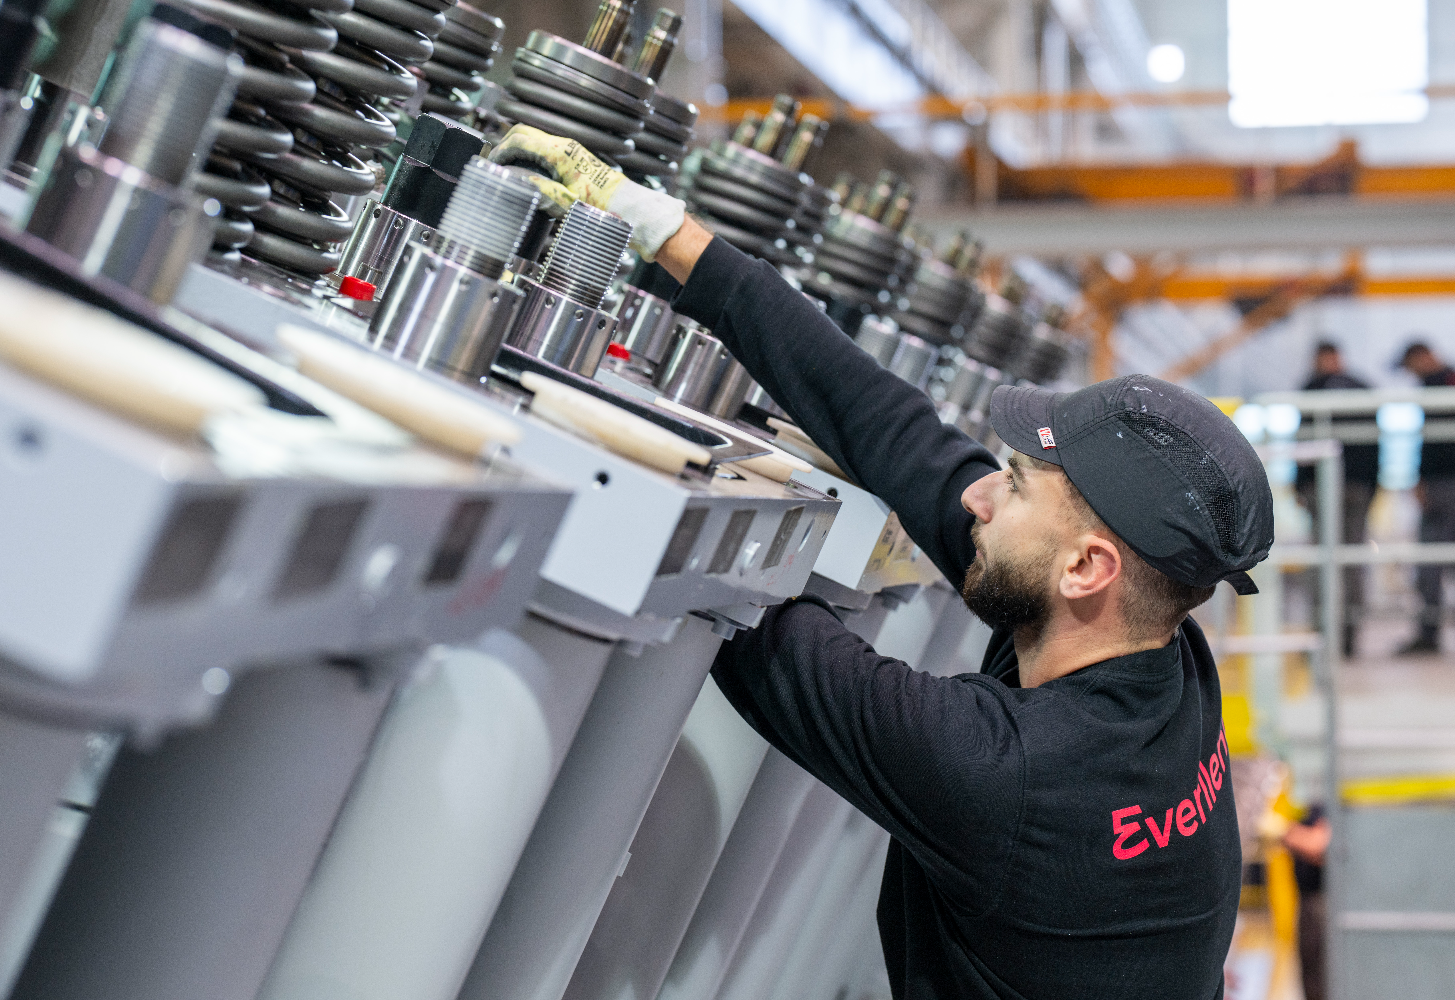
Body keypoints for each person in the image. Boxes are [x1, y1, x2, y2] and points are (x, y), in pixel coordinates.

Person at [493, 126, 1275, 1000]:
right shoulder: (1162, 658)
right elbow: (901, 437)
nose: (979, 499)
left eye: (1015, 486)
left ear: (1087, 570)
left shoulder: (1008, 776)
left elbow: (741, 604)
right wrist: (669, 234)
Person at [1297, 341, 1379, 657]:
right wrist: (1373, 485)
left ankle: (1323, 633)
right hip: (1356, 487)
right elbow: (1375, 443)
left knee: (1322, 561)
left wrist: (1300, 485)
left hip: (1322, 487)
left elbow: (1301, 443)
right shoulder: (1362, 388)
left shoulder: (1310, 388)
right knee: (1351, 561)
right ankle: (1348, 635)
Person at [1396, 342, 1455, 654]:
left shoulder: (1436, 385)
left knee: (1430, 562)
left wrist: (1421, 479)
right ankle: (1428, 633)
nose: (1412, 374)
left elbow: (1432, 443)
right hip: (1440, 483)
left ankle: (1428, 634)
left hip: (1441, 485)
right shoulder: (1445, 381)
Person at [1282, 806, 1332, 1000]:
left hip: (1322, 901)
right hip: (1307, 901)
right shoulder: (1311, 806)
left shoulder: (1333, 806)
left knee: (1322, 978)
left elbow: (1320, 847)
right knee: (1310, 975)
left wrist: (1287, 832)